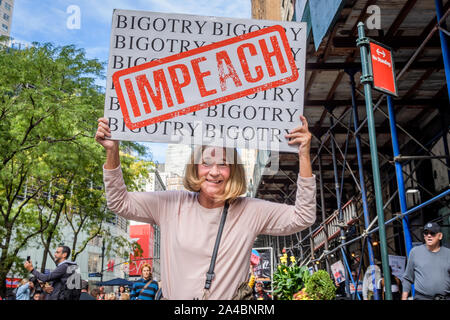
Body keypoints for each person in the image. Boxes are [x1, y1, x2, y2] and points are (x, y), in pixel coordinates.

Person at [95, 114, 316, 299]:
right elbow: (119, 202)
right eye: (206, 163)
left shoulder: (250, 211)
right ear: (195, 167)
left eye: (223, 164)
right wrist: (112, 152)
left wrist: (304, 155)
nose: (214, 171)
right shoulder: (171, 203)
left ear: (234, 170)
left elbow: (303, 217)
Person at [402, 222, 450, 300]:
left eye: (432, 233)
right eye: (426, 233)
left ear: (440, 236)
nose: (429, 235)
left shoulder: (448, 254)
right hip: (422, 297)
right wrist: (404, 298)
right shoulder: (415, 252)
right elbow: (407, 278)